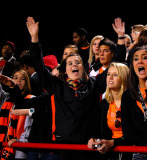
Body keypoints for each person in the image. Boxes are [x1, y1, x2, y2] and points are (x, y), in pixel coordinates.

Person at [24, 16, 112, 160]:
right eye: (69, 63)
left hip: (87, 148)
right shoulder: (56, 85)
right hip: (62, 149)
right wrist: (34, 38)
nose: (74, 65)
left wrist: (120, 38)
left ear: (83, 68)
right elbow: (39, 67)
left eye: (77, 62)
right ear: (65, 70)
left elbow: (115, 66)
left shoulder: (94, 84)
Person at [121, 46, 147, 160]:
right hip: (141, 152)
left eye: (144, 57)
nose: (140, 61)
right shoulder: (127, 95)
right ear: (133, 66)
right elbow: (128, 133)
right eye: (136, 59)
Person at [88, 62, 131, 160]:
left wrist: (113, 143)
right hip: (111, 153)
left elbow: (134, 134)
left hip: (129, 152)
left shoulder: (131, 102)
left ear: (124, 78)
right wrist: (93, 139)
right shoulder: (105, 103)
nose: (110, 77)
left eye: (115, 74)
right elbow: (100, 130)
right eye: (108, 74)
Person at [0, 70, 34, 160]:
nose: (18, 81)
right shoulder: (7, 99)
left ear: (26, 83)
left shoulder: (32, 98)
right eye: (15, 78)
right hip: (4, 143)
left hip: (20, 145)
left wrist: (19, 141)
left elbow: (30, 125)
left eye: (22, 79)